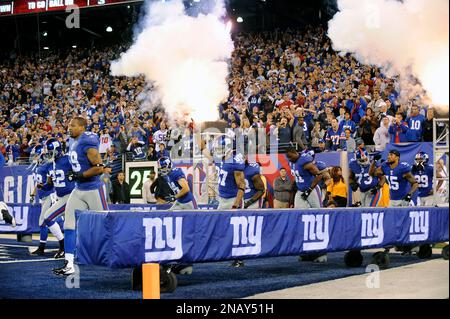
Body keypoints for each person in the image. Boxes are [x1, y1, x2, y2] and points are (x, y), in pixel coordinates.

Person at [52, 116, 108, 276]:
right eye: (69, 125)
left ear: (82, 127)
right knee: (69, 225)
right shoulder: (72, 141)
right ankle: (69, 264)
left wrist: (80, 175)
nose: (69, 128)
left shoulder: (87, 141)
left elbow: (99, 167)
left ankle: (120, 255)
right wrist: (76, 176)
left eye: (73, 125)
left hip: (93, 190)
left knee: (106, 225)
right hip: (78, 190)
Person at [31, 138, 76, 258]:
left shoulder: (67, 159)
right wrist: (43, 186)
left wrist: (75, 174)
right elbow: (50, 185)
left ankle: (64, 247)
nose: (48, 154)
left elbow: (80, 168)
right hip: (60, 196)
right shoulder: (52, 164)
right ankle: (67, 248)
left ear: (57, 150)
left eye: (50, 152)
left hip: (71, 196)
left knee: (50, 218)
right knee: (65, 224)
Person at [29, 145, 56, 256]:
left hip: (49, 196)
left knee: (43, 222)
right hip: (43, 197)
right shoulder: (38, 167)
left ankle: (42, 247)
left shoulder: (47, 166)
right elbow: (38, 184)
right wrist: (33, 194)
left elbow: (51, 181)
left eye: (35, 155)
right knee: (49, 221)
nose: (34, 157)